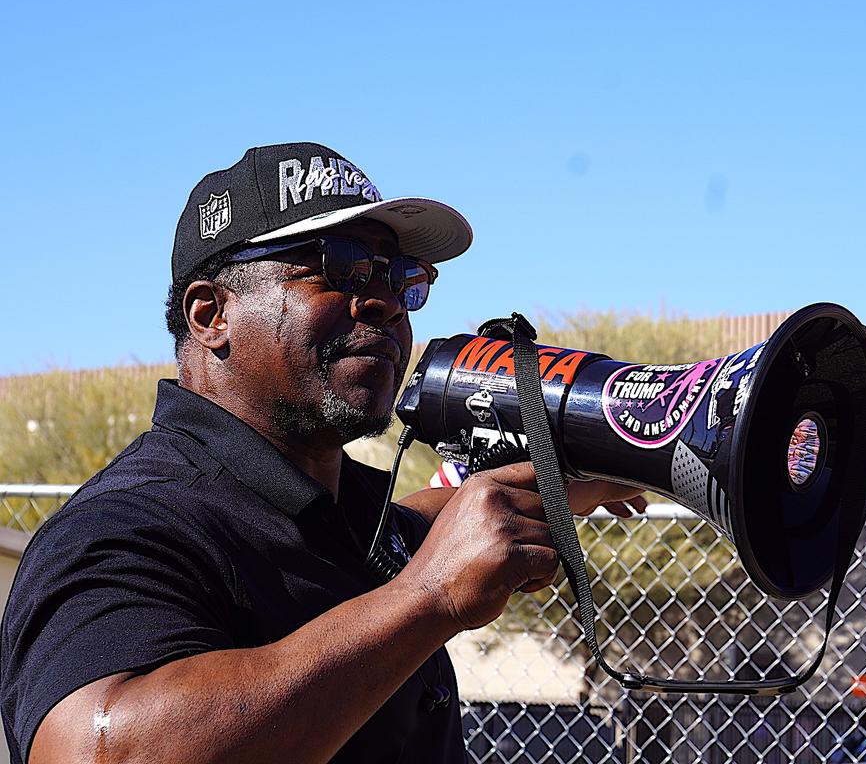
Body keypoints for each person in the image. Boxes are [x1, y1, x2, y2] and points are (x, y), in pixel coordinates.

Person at [0, 142, 646, 764]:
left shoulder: (351, 519)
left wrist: (599, 459)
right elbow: (95, 749)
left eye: (402, 279)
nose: (386, 302)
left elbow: (432, 520)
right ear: (210, 315)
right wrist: (425, 599)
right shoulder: (123, 529)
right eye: (343, 268)